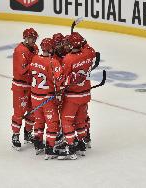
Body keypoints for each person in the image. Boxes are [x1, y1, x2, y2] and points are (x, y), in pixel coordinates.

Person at [57, 32, 96, 160]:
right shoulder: (89, 53)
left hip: (73, 96)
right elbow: (90, 48)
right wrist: (82, 40)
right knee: (80, 120)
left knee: (66, 120)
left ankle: (70, 148)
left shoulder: (68, 58)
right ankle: (81, 144)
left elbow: (63, 79)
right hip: (85, 94)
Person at [29, 38, 63, 158]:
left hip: (34, 96)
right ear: (51, 48)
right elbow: (59, 80)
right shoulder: (53, 62)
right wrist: (61, 88)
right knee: (52, 123)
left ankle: (38, 144)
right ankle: (50, 148)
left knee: (38, 120)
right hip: (46, 98)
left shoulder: (35, 58)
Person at [11, 28, 39, 150]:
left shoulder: (35, 48)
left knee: (32, 111)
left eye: (34, 38)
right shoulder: (20, 51)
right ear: (25, 38)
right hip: (20, 86)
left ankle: (28, 134)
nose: (33, 40)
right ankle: (15, 135)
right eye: (31, 38)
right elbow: (22, 71)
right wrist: (37, 65)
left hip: (30, 85)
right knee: (19, 112)